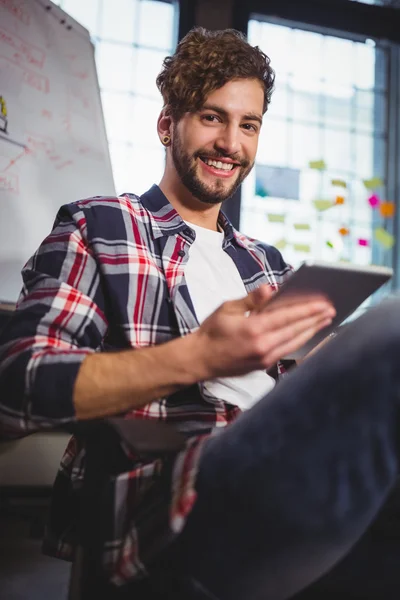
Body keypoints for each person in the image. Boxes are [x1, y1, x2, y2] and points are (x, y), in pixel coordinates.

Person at [0, 26, 400, 600]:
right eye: (212, 117)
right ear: (167, 125)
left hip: (295, 469)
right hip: (174, 494)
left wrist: (325, 366)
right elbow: (19, 385)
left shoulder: (267, 265)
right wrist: (199, 356)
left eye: (248, 124)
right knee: (392, 334)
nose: (230, 143)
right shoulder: (101, 227)